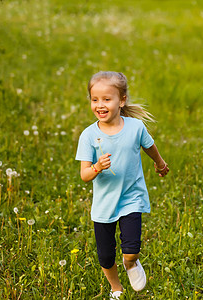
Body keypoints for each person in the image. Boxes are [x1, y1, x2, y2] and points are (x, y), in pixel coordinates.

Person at [75, 71, 169, 299]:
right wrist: (97, 167)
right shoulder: (88, 135)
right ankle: (116, 287)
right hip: (104, 205)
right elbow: (85, 175)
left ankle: (131, 264)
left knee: (131, 249)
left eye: (107, 99)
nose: (100, 105)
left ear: (122, 100)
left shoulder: (135, 127)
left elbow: (149, 146)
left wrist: (160, 163)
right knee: (106, 256)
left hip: (131, 198)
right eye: (95, 99)